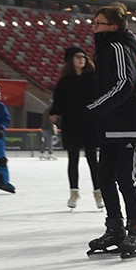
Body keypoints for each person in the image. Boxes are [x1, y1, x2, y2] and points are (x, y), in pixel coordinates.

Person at [84, 3, 136, 260]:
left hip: (129, 126)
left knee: (125, 178)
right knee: (105, 178)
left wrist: (93, 108)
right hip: (111, 125)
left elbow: (124, 84)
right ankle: (115, 228)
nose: (94, 28)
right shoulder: (104, 50)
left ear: (113, 26)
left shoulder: (118, 47)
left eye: (98, 24)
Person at [50, 47, 102, 210]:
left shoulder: (93, 78)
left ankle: (98, 193)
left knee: (93, 159)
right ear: (71, 60)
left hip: (89, 122)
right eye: (78, 57)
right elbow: (57, 100)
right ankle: (74, 192)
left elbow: (100, 98)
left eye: (84, 57)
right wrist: (54, 112)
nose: (82, 59)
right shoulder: (65, 81)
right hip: (71, 123)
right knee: (73, 159)